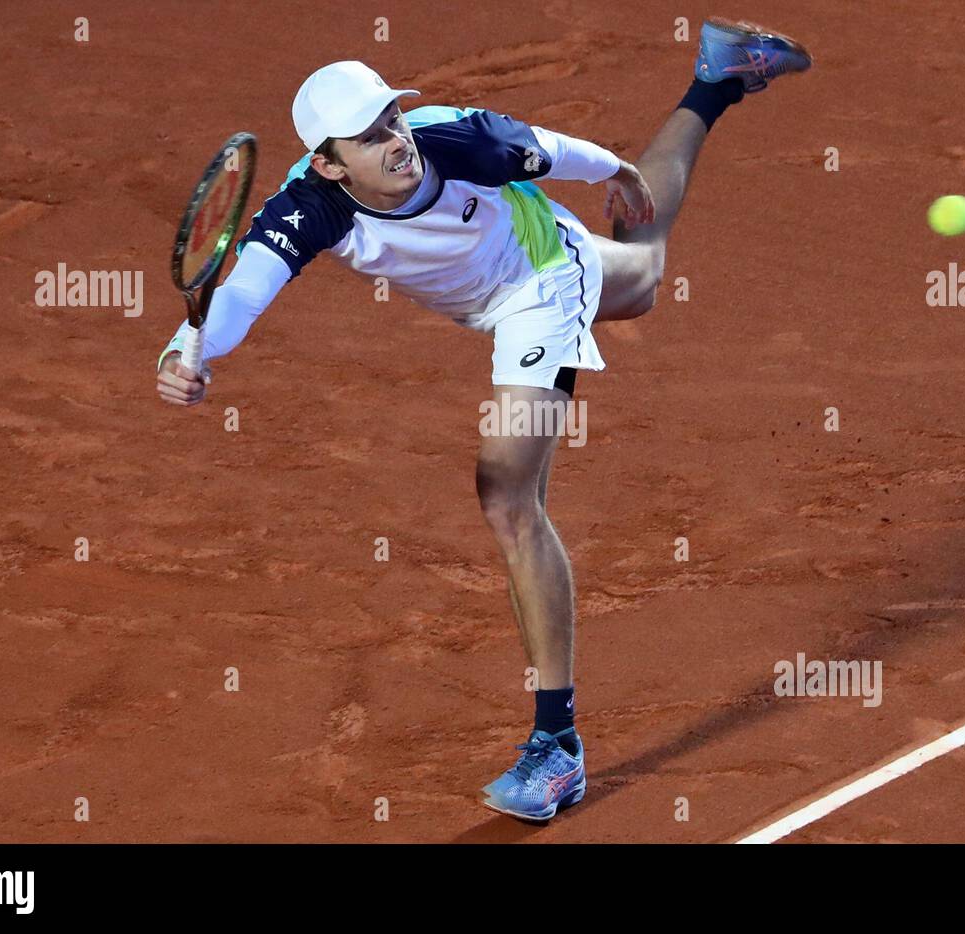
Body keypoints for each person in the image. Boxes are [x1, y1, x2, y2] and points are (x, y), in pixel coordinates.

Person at [156, 17, 812, 821]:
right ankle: (714, 81)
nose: (396, 141)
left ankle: (555, 748)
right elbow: (240, 296)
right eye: (370, 137)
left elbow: (551, 149)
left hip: (542, 274)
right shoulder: (307, 208)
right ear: (329, 164)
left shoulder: (459, 140)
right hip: (490, 301)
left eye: (393, 117)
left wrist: (616, 169)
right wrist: (187, 351)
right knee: (642, 275)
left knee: (506, 493)